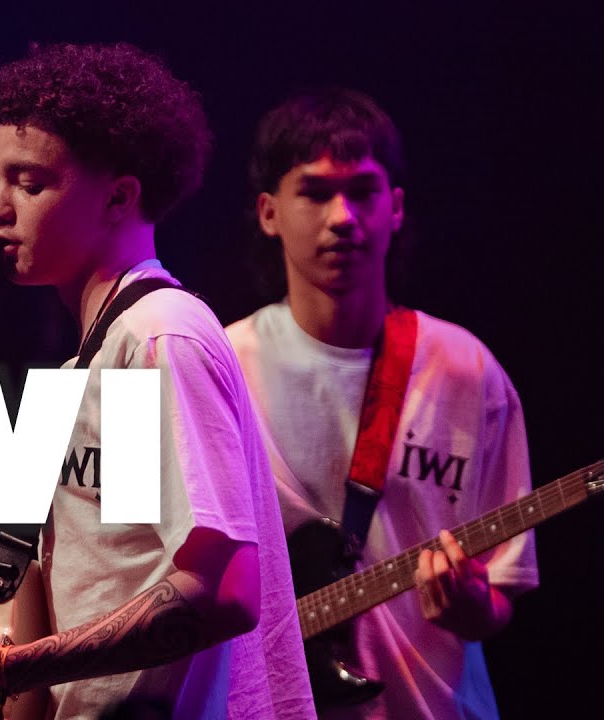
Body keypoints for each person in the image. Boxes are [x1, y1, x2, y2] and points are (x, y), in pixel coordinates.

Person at [0, 43, 314, 720]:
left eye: (29, 183)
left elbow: (225, 591)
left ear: (118, 196)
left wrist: (8, 669)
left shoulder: (162, 336)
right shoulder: (86, 365)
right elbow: (114, 585)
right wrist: (0, 699)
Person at [225, 88, 538, 719]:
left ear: (395, 207)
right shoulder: (225, 366)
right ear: (268, 212)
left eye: (363, 191)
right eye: (315, 192)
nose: (343, 217)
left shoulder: (468, 370)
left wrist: (473, 605)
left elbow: (503, 591)